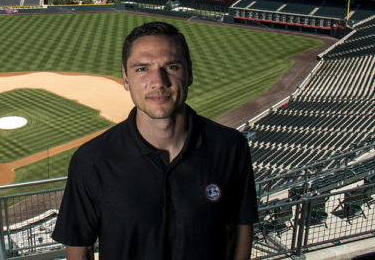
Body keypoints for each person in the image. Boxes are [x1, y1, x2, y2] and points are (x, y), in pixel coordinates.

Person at [52, 21, 258, 260]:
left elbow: (240, 229)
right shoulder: (91, 160)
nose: (158, 82)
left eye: (171, 66)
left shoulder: (231, 147)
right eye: (142, 69)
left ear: (189, 72)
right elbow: (79, 249)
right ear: (126, 78)